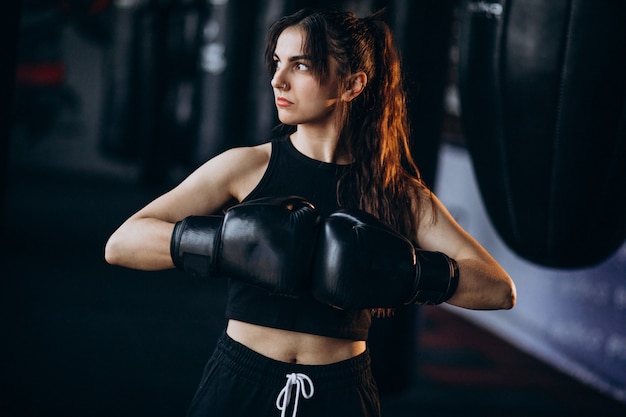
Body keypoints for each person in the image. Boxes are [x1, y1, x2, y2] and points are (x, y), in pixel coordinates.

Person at [105, 7, 516, 417]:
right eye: (277, 63)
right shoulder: (245, 167)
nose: (277, 80)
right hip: (240, 381)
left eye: (300, 65)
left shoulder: (395, 192)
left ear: (353, 84)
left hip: (341, 391)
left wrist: (407, 274)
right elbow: (121, 244)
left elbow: (499, 289)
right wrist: (223, 245)